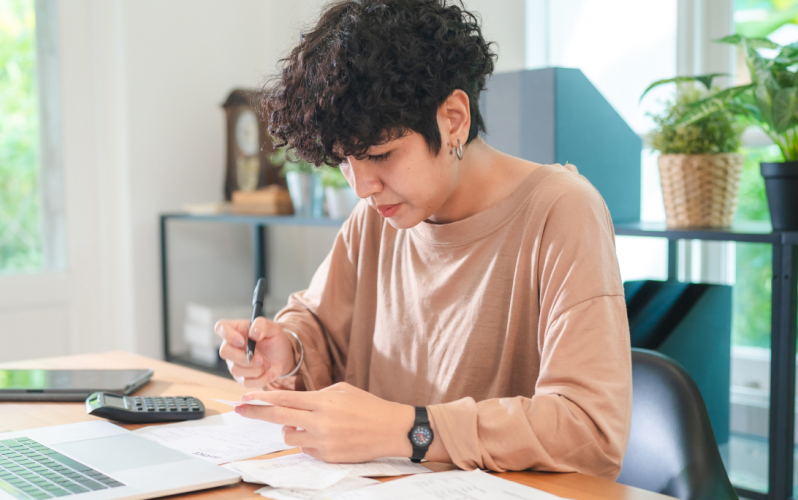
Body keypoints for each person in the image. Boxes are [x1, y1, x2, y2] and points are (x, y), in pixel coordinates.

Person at [214, 0, 632, 480]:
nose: (362, 186)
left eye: (382, 155)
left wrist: (408, 430)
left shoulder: (561, 211)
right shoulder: (376, 218)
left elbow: (589, 431)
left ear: (453, 118)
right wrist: (287, 349)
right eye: (345, 161)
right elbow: (320, 325)